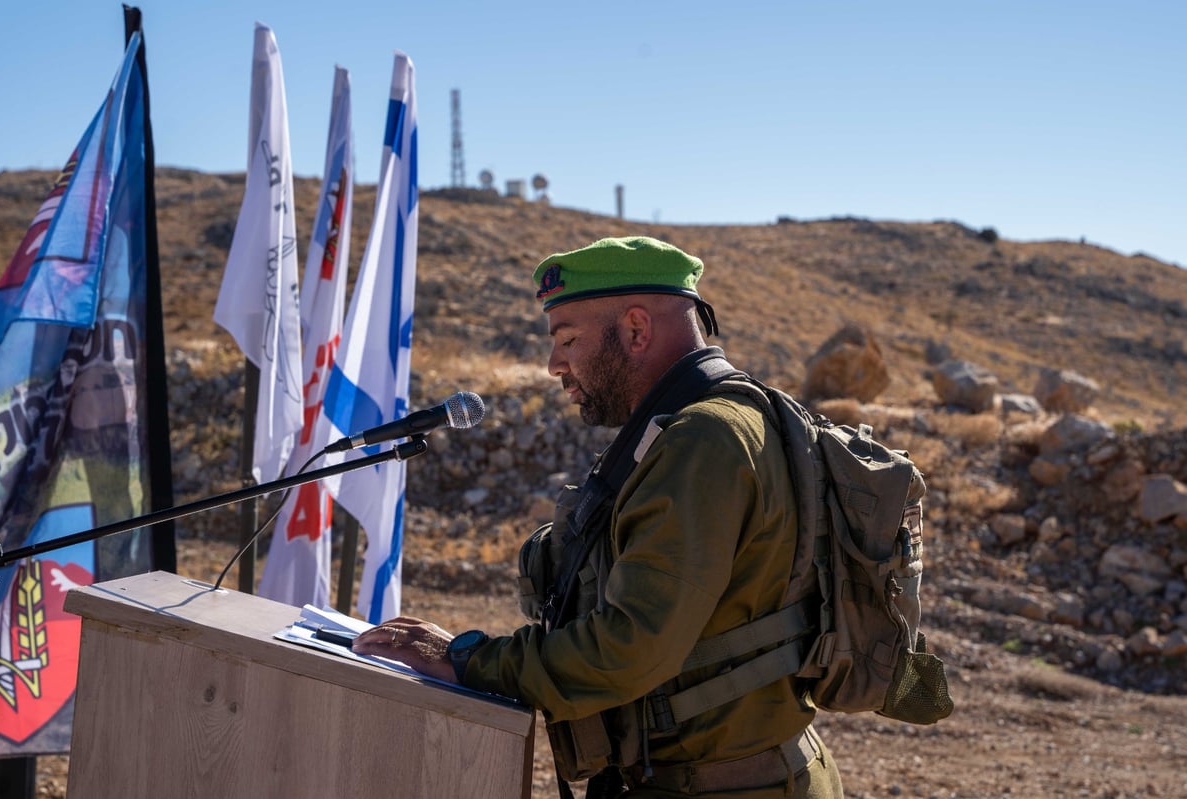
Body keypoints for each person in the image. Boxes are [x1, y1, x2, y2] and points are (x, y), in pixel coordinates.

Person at [353, 236, 844, 798]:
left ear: (636, 330)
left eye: (568, 340)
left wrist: (466, 660)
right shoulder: (701, 424)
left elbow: (630, 648)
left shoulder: (704, 440)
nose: (553, 365)